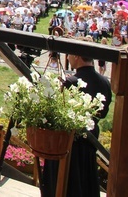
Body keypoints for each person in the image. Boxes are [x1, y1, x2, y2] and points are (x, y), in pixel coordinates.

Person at [41, 52, 112, 196]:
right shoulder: (105, 82)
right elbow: (103, 113)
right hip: (90, 137)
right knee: (85, 176)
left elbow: (58, 112)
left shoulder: (72, 82)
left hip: (68, 139)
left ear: (77, 57)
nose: (67, 58)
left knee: (66, 180)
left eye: (69, 55)